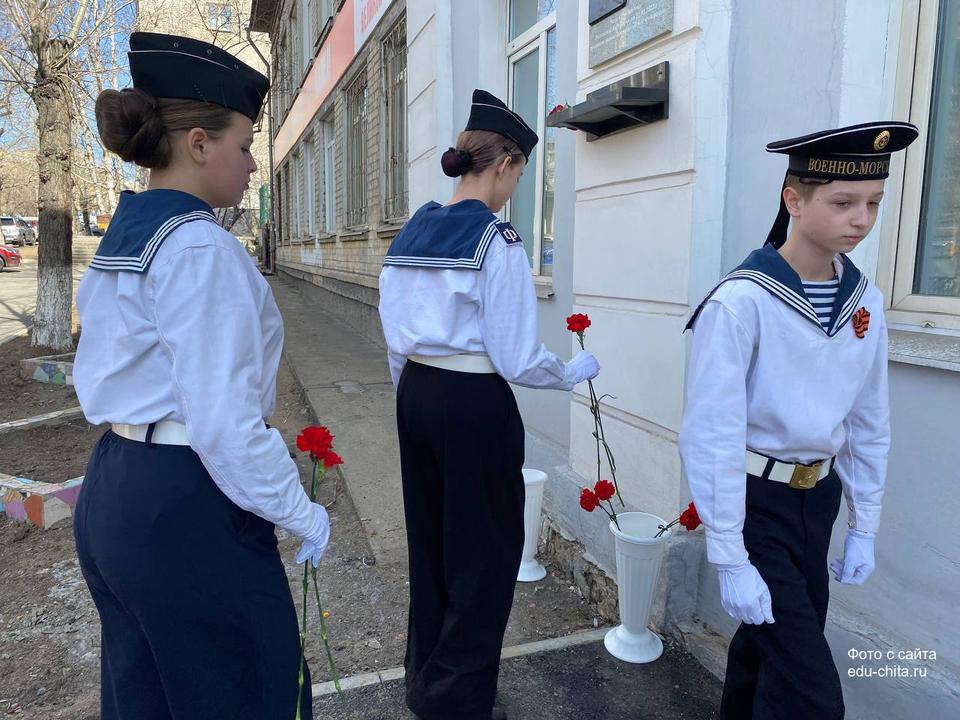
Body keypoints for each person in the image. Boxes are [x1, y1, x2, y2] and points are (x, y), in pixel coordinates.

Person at [72, 32, 329, 720]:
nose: (252, 163)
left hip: (117, 483)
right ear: (197, 144)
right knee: (247, 693)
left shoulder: (126, 236)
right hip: (186, 501)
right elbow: (224, 422)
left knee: (148, 695)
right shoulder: (198, 246)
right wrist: (300, 512)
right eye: (244, 145)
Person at [679, 121, 918, 719]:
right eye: (843, 202)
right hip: (756, 502)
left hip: (819, 498)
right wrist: (730, 556)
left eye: (873, 203)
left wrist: (864, 524)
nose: (861, 219)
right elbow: (711, 432)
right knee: (810, 695)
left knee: (764, 656)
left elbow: (868, 419)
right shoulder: (743, 301)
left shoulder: (865, 300)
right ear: (794, 199)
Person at [378, 89, 600, 720]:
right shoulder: (497, 241)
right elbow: (517, 356)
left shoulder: (414, 228)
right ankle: (456, 702)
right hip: (474, 403)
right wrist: (571, 372)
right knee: (485, 555)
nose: (514, 190)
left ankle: (425, 680)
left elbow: (393, 332)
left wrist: (412, 396)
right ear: (504, 164)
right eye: (519, 175)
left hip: (417, 393)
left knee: (431, 543)